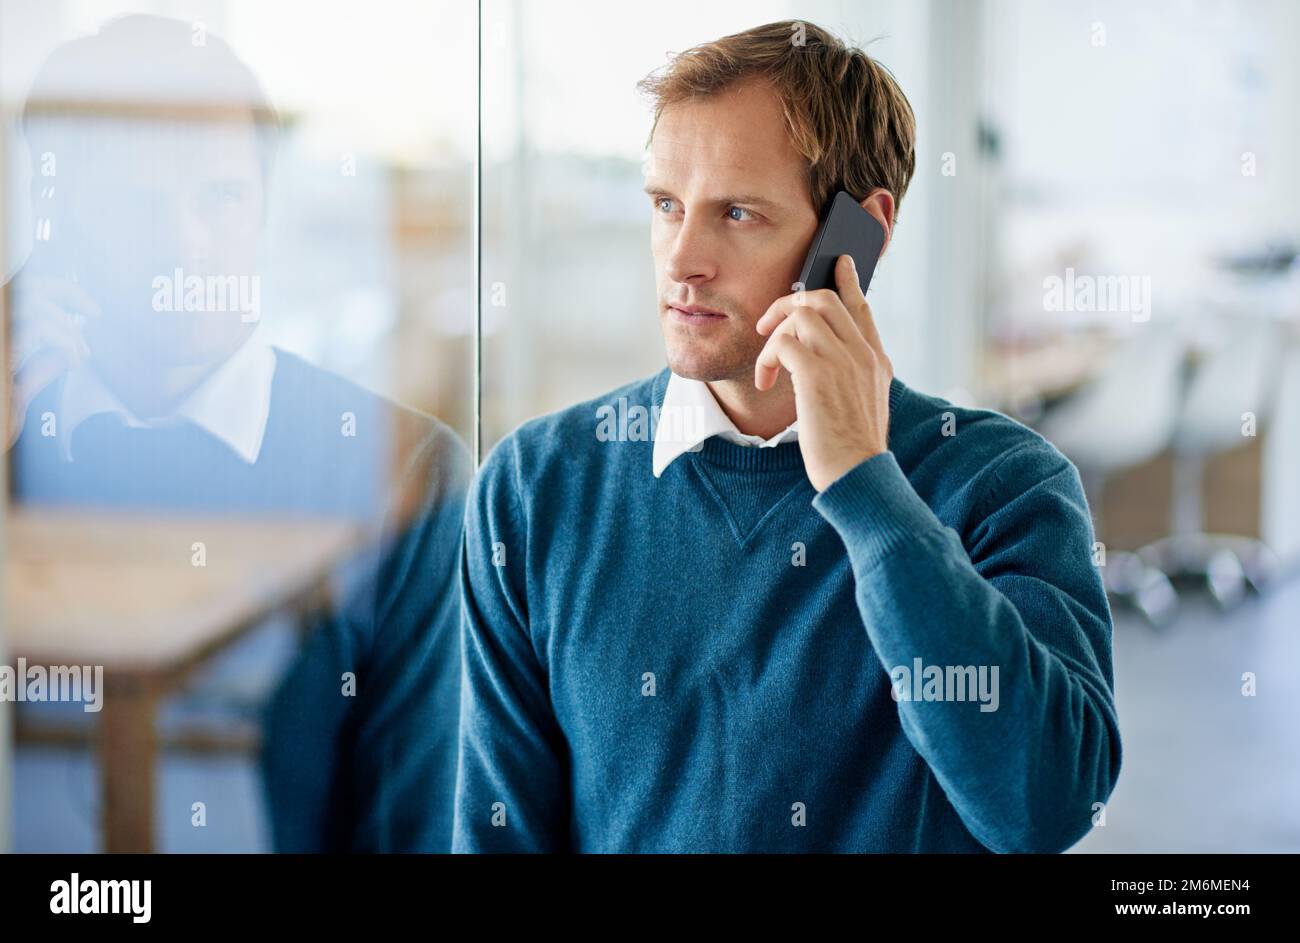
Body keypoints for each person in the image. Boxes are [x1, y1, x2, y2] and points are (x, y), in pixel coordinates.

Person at [453, 20, 1121, 853]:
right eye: (666, 205)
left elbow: (1044, 806)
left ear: (858, 237)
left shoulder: (1003, 483)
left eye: (737, 212)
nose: (682, 259)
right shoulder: (533, 488)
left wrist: (865, 486)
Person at [5, 14, 468, 851]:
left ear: (262, 208)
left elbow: (414, 822)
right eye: (131, 207)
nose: (183, 246)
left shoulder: (408, 472)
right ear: (57, 224)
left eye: (218, 199)